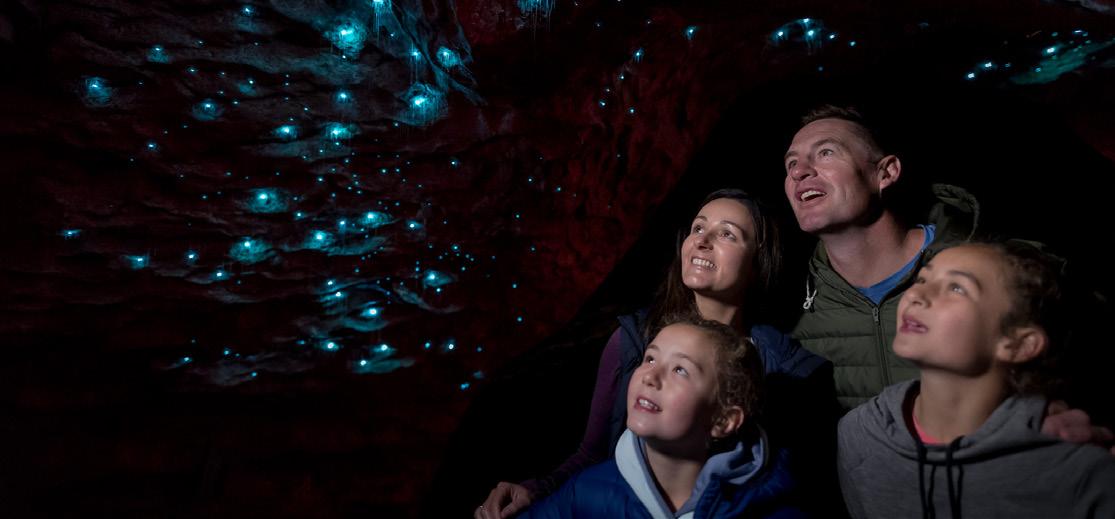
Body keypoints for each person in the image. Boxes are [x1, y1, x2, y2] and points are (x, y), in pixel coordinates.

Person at [476, 189, 832, 518]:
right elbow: (592, 453)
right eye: (698, 228)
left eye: (727, 233)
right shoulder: (632, 341)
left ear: (759, 263)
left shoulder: (786, 370)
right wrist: (537, 490)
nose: (702, 240)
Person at [782, 105, 1115, 448]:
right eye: (791, 163)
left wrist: (1090, 419)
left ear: (886, 173)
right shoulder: (789, 309)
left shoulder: (1004, 270)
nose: (800, 172)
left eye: (826, 152)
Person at [837, 241, 1115, 518]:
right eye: (922, 279)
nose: (916, 294)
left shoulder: (1079, 472)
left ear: (1019, 344)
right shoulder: (859, 435)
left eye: (957, 288)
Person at [518, 318, 805, 518]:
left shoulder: (771, 509)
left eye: (680, 369)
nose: (650, 376)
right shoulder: (585, 492)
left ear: (723, 420)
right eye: (650, 358)